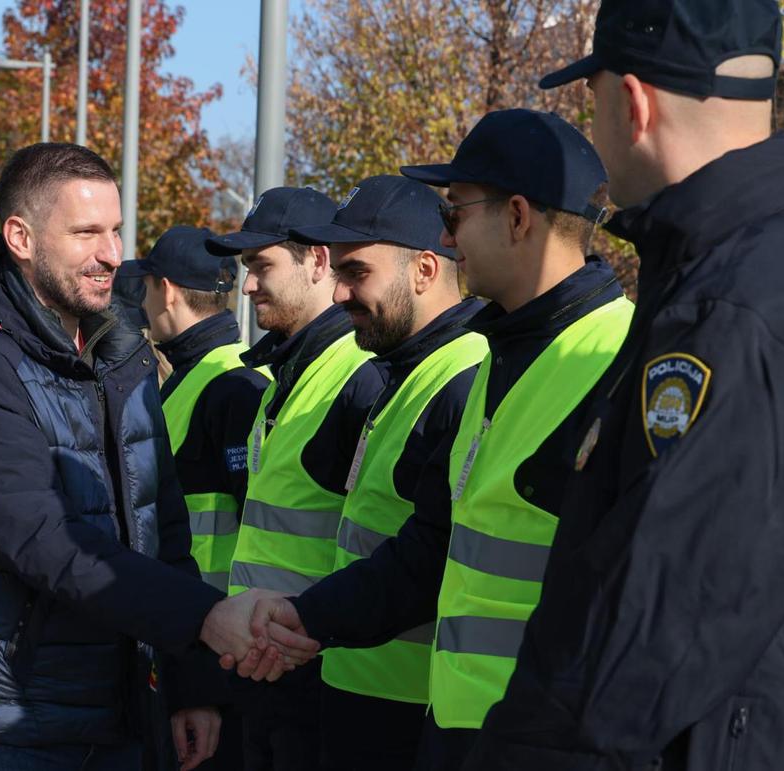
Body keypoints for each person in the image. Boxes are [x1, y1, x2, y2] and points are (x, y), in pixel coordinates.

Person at [462, 3, 784, 769]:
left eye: (589, 100)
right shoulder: (750, 270)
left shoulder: (730, 306)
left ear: (631, 103)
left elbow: (650, 642)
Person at [0, 143, 316, 771]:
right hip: (6, 717)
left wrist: (190, 684)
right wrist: (206, 618)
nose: (110, 254)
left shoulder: (123, 350)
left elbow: (163, 524)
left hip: (124, 700)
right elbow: (43, 539)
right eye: (86, 232)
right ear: (21, 237)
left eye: (116, 230)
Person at [239, 109, 633, 771]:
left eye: (453, 215)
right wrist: (308, 616)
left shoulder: (620, 355)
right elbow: (435, 545)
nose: (446, 238)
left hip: (551, 741)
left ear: (515, 217)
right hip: (459, 727)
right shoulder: (503, 354)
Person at [286, 174, 487, 770]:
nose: (339, 293)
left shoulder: (464, 375)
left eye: (356, 274)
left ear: (425, 270)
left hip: (408, 704)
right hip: (357, 681)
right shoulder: (403, 370)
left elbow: (428, 557)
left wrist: (304, 618)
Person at [206, 186, 385, 771]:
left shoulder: (359, 376)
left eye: (261, 266)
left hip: (311, 673)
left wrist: (306, 630)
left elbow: (373, 541)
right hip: (265, 668)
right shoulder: (289, 371)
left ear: (318, 262)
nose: (248, 285)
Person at [123, 225, 272, 771]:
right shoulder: (191, 379)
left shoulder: (231, 386)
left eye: (143, 290)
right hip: (190, 642)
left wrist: (207, 684)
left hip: (219, 657)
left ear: (165, 290)